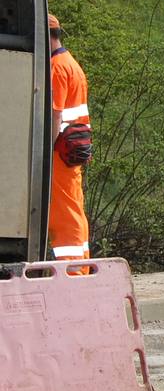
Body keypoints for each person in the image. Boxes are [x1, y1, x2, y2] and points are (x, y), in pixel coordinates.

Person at [47, 13, 92, 261]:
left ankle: (71, 269)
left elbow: (56, 115)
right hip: (74, 148)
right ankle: (81, 266)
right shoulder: (71, 63)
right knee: (74, 207)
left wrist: (47, 150)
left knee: (64, 213)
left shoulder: (57, 67)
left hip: (61, 150)